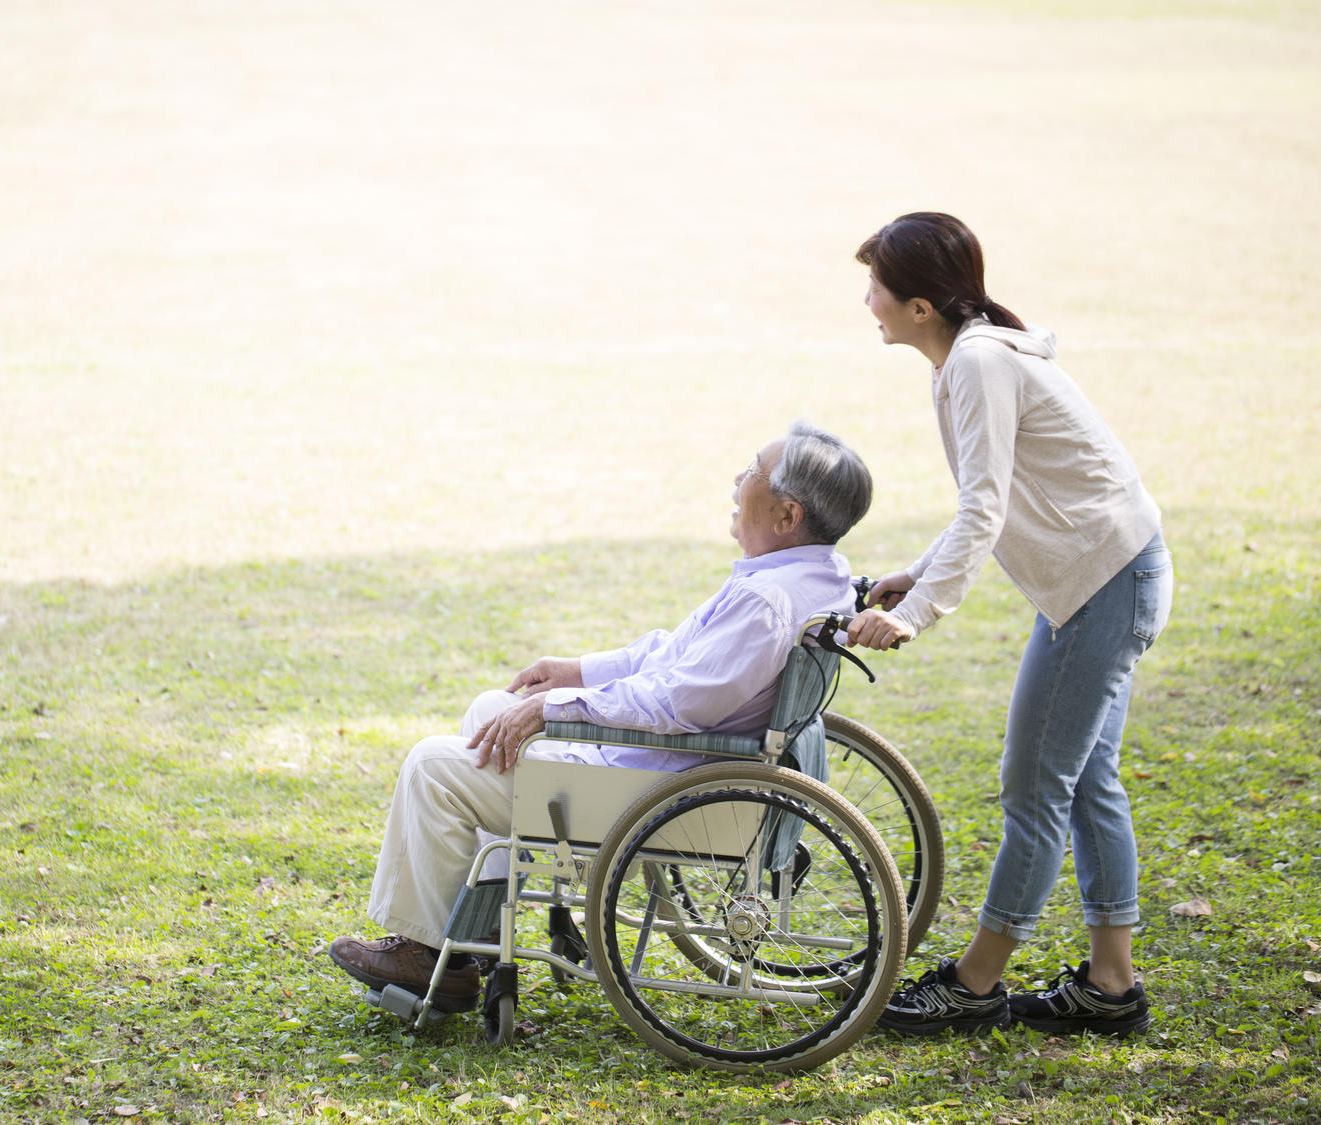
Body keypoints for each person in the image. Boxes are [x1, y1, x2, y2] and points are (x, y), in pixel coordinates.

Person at [328, 421, 874, 1011]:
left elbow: (680, 701)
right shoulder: (813, 576)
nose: (738, 481)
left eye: (751, 472)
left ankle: (430, 953)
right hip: (678, 770)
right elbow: (671, 657)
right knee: (492, 712)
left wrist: (557, 707)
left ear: (786, 516)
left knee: (433, 766)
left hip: (657, 790)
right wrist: (576, 672)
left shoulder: (766, 602)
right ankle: (469, 940)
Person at [846, 212, 1172, 1037]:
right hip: (1109, 576)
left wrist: (917, 613)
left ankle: (975, 984)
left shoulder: (978, 363)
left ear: (921, 305)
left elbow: (985, 506)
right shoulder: (968, 357)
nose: (868, 301)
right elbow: (989, 501)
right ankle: (1109, 987)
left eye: (878, 286)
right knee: (1088, 780)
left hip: (1104, 582)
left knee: (1033, 786)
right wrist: (913, 573)